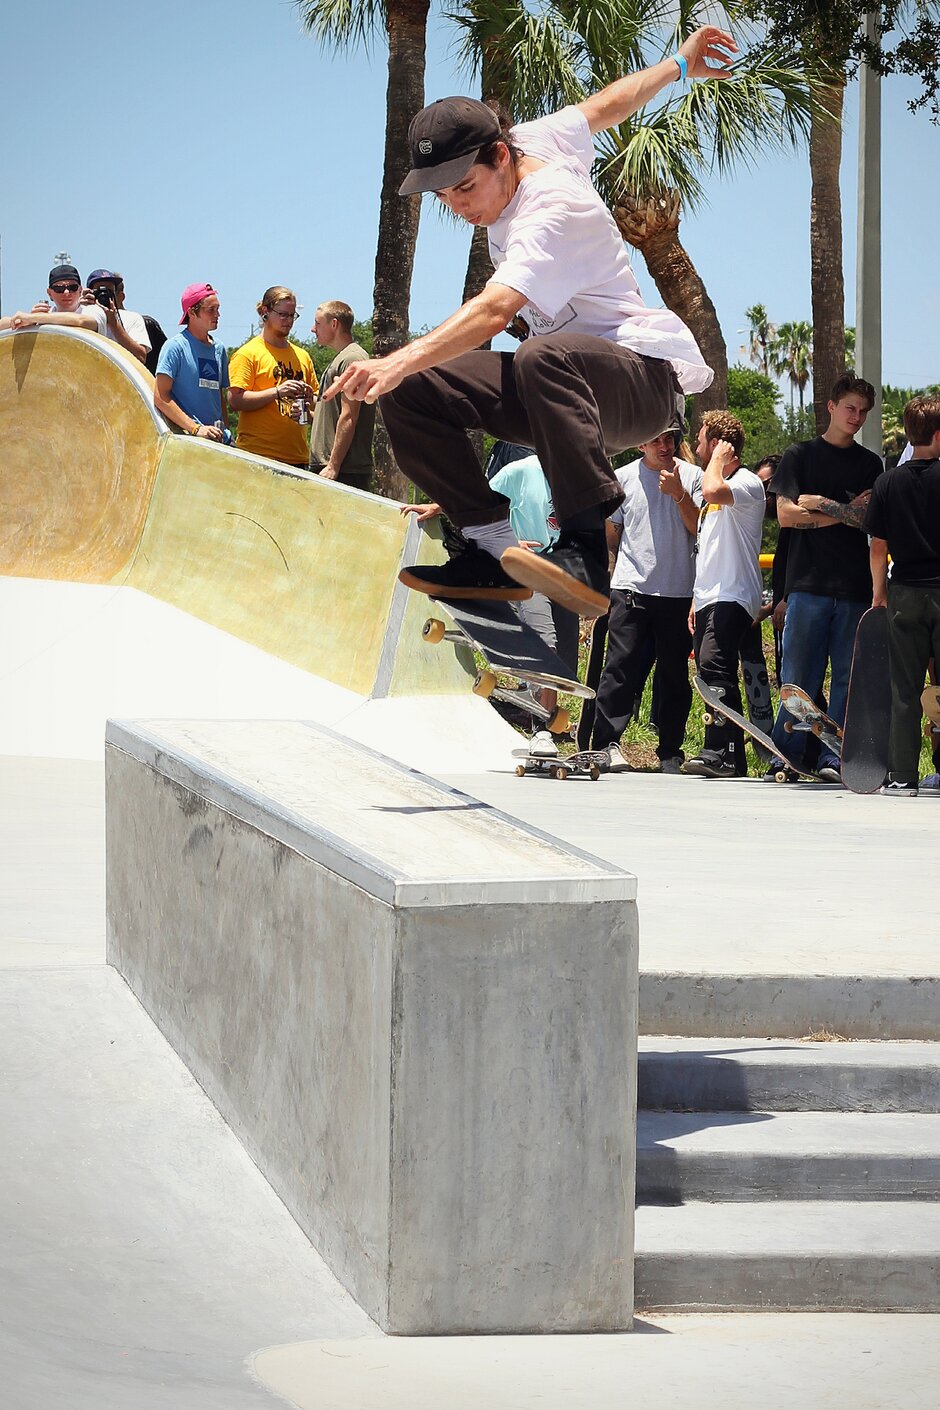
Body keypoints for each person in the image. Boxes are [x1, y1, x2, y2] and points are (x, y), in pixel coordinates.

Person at [324, 27, 734, 618]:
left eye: (466, 187)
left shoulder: (551, 208)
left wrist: (393, 359)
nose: (460, 206)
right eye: (444, 197)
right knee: (413, 388)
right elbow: (604, 107)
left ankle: (585, 551)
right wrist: (678, 63)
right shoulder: (531, 138)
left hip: (639, 385)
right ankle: (490, 548)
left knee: (535, 355)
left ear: (499, 157)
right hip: (560, 400)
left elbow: (496, 309)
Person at [764, 373, 882, 782]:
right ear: (831, 406)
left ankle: (835, 757)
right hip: (807, 586)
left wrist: (821, 505)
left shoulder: (871, 464)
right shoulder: (799, 455)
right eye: (850, 408)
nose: (857, 417)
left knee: (848, 680)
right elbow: (785, 516)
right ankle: (786, 756)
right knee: (797, 678)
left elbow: (867, 519)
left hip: (854, 588)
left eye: (863, 411)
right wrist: (844, 512)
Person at [590, 430, 702, 773]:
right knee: (620, 667)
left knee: (673, 674)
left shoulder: (693, 476)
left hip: (679, 591)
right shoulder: (622, 478)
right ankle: (606, 744)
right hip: (630, 588)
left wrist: (679, 494)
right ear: (640, 443)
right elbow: (612, 535)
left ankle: (670, 751)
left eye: (670, 439)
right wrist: (608, 581)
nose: (665, 447)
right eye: (656, 441)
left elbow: (699, 527)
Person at [864, 395, 940, 795]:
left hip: (905, 592)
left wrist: (879, 592)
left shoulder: (887, 481)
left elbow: (878, 546)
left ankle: (902, 776)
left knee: (904, 689)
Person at [683, 412, 765, 778]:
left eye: (702, 440)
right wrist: (695, 599)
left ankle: (720, 751)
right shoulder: (715, 488)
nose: (697, 446)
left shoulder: (746, 482)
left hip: (733, 594)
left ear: (717, 445)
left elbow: (712, 490)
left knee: (715, 667)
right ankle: (731, 755)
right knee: (710, 670)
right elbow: (709, 548)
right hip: (709, 596)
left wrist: (716, 460)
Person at [228, 287, 317, 467]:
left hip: (297, 458)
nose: (288, 321)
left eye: (292, 315)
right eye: (283, 315)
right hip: (258, 457)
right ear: (265, 312)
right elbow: (234, 400)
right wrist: (277, 392)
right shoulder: (248, 353)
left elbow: (319, 404)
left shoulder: (302, 356)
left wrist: (309, 402)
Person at [309, 302, 375, 490]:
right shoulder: (342, 358)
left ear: (334, 324)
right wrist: (311, 411)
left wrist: (333, 466)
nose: (313, 329)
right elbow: (336, 415)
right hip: (331, 468)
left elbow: (349, 416)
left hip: (344, 471)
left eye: (318, 323)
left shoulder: (352, 358)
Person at [153, 283, 230, 441]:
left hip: (219, 439)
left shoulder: (219, 348)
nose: (218, 314)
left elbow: (218, 397)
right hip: (190, 441)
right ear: (192, 313)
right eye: (211, 310)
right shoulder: (175, 347)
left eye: (218, 308)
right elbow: (160, 396)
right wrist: (195, 429)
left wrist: (227, 432)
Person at [0, 263, 106, 335]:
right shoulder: (42, 315)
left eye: (72, 287)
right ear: (50, 293)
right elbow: (3, 324)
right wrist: (29, 321)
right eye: (59, 289)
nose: (66, 292)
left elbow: (81, 321)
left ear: (80, 290)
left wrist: (35, 318)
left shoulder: (93, 311)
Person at [83, 269, 151, 363]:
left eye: (109, 291)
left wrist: (114, 324)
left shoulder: (132, 318)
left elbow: (141, 357)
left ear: (116, 294)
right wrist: (79, 307)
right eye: (99, 291)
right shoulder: (82, 316)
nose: (104, 295)